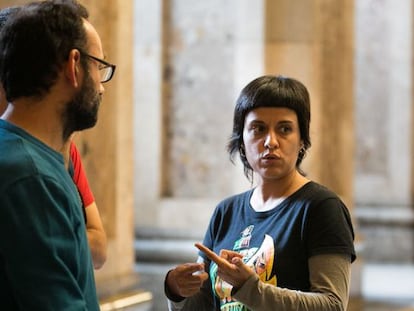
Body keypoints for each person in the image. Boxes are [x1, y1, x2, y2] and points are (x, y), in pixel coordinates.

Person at [164, 75, 356, 311]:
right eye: (258, 129)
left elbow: (332, 305)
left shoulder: (321, 207)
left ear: (302, 140)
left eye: (285, 129)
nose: (270, 142)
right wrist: (176, 290)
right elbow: (201, 305)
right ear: (241, 140)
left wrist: (250, 288)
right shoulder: (227, 211)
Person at [0, 0, 115, 309]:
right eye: (98, 65)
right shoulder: (30, 176)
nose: (102, 87)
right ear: (73, 65)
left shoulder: (32, 158)